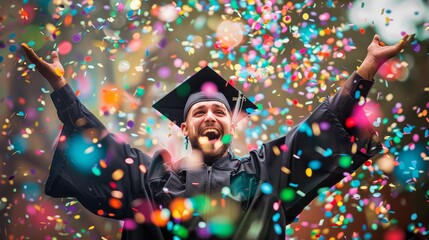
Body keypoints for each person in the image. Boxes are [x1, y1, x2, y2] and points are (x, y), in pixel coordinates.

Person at [21, 33, 414, 240]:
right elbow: (99, 146)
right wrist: (61, 87)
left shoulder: (264, 172)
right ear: (183, 127)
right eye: (199, 112)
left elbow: (320, 128)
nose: (209, 116)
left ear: (233, 124)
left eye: (219, 111)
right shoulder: (153, 178)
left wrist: (365, 70)